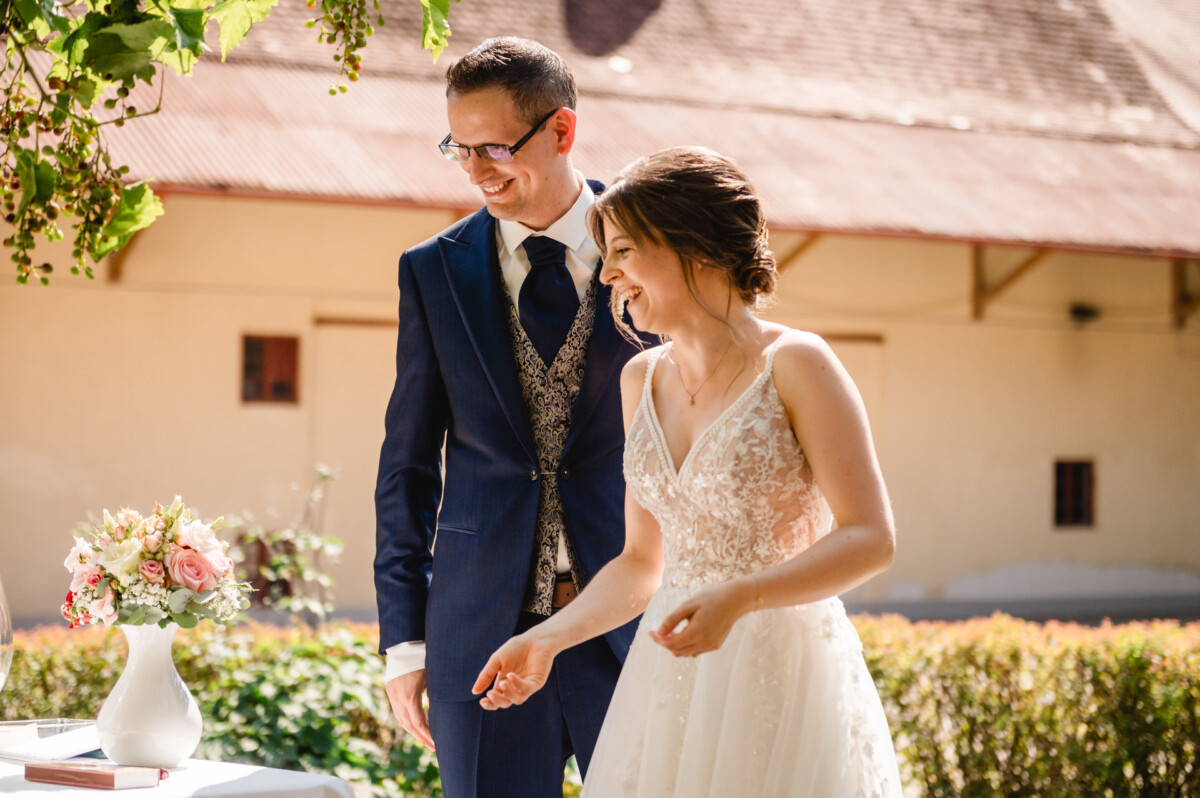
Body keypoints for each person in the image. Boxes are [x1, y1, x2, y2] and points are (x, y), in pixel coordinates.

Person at [472, 147, 905, 797]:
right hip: (667, 676)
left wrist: (742, 596)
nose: (608, 274)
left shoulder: (797, 364)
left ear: (694, 245)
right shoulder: (638, 379)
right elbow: (641, 564)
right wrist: (547, 641)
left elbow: (871, 537)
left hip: (781, 672)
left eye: (623, 251)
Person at [374, 38, 645, 798]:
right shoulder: (431, 270)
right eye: (458, 149)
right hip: (479, 636)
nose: (476, 171)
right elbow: (407, 467)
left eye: (495, 147)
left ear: (562, 130)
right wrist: (405, 640)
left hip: (631, 627)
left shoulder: (655, 250)